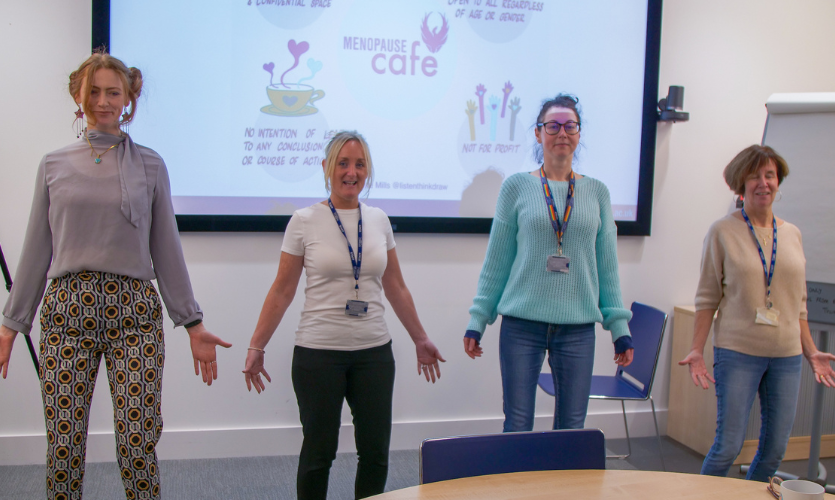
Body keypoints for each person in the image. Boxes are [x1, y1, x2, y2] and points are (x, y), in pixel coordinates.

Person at [0, 51, 232, 500]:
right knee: (64, 444)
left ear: (128, 99)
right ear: (78, 95)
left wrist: (192, 322)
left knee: (137, 441)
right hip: (67, 311)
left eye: (113, 92)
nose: (103, 101)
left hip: (135, 315)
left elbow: (166, 249)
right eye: (94, 92)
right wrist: (12, 325)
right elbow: (36, 249)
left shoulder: (150, 165)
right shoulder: (54, 165)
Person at [242, 130, 445, 500]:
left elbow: (396, 286)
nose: (351, 172)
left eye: (360, 164)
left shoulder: (379, 220)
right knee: (319, 455)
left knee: (376, 455)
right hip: (318, 354)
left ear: (367, 171)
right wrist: (257, 345)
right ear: (326, 167)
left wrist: (420, 337)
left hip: (374, 354)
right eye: (343, 163)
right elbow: (282, 290)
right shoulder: (304, 221)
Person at [464, 94, 634, 432]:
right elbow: (497, 262)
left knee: (571, 426)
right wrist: (477, 319)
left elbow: (607, 268)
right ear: (538, 133)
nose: (562, 133)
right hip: (522, 325)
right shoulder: (516, 187)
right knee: (518, 422)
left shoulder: (597, 192)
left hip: (578, 328)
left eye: (569, 125)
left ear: (579, 133)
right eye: (552, 126)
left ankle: (564, 487)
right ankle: (518, 485)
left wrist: (619, 329)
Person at [679, 145, 835, 481]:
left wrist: (811, 352)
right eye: (755, 176)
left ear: (778, 182)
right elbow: (707, 297)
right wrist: (696, 350)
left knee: (775, 449)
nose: (763, 183)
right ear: (740, 183)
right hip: (738, 354)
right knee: (728, 446)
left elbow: (799, 303)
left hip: (787, 356)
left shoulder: (792, 233)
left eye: (770, 175)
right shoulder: (722, 231)